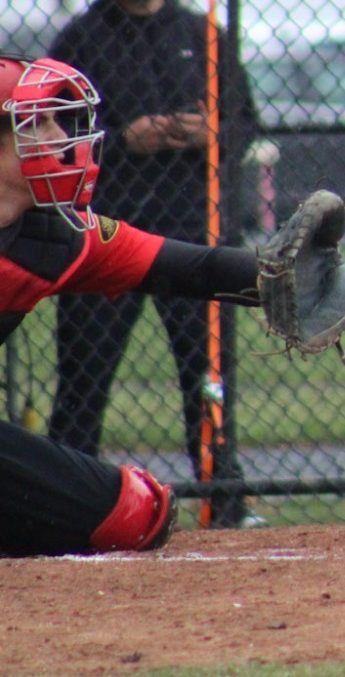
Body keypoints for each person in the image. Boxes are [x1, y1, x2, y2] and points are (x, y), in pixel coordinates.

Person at [0, 55, 268, 555]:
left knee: (137, 513)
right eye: (37, 124)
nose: (62, 135)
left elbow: (187, 267)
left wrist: (277, 278)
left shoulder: (54, 240)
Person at [45, 0, 260, 526]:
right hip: (104, 230)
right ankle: (61, 503)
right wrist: (119, 139)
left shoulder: (202, 35)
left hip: (189, 226)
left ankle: (225, 502)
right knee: (84, 374)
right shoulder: (81, 40)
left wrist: (207, 132)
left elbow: (246, 123)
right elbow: (47, 137)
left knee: (206, 372)